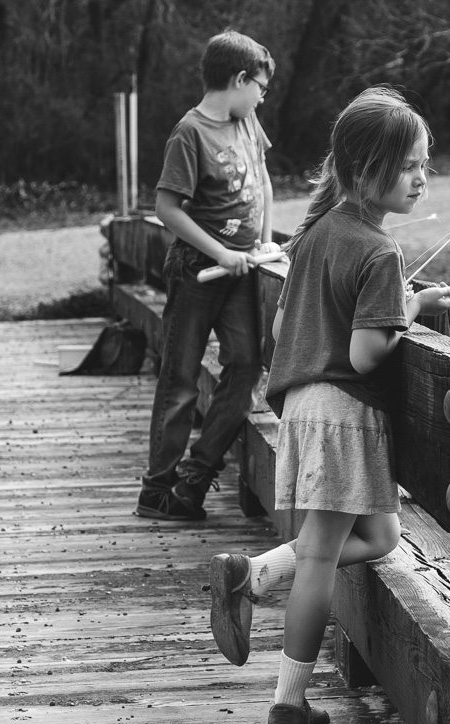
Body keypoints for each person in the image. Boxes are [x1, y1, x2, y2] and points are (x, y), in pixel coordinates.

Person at [208, 86, 450, 724]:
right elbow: (367, 349)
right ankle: (288, 703)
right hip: (346, 413)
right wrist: (408, 312)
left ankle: (257, 574)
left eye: (424, 165)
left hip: (305, 411)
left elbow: (292, 320)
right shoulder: (381, 251)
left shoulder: (319, 232)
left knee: (382, 538)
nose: (421, 179)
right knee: (322, 555)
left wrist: (402, 305)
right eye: (408, 166)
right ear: (362, 170)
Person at [136, 30, 284, 521]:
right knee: (180, 379)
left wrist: (262, 240)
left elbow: (261, 179)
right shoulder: (190, 133)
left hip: (241, 272)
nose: (263, 95)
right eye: (260, 86)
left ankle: (196, 475)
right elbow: (166, 208)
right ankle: (157, 490)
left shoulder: (247, 121)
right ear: (238, 79)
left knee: (245, 367)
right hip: (197, 271)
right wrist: (220, 251)